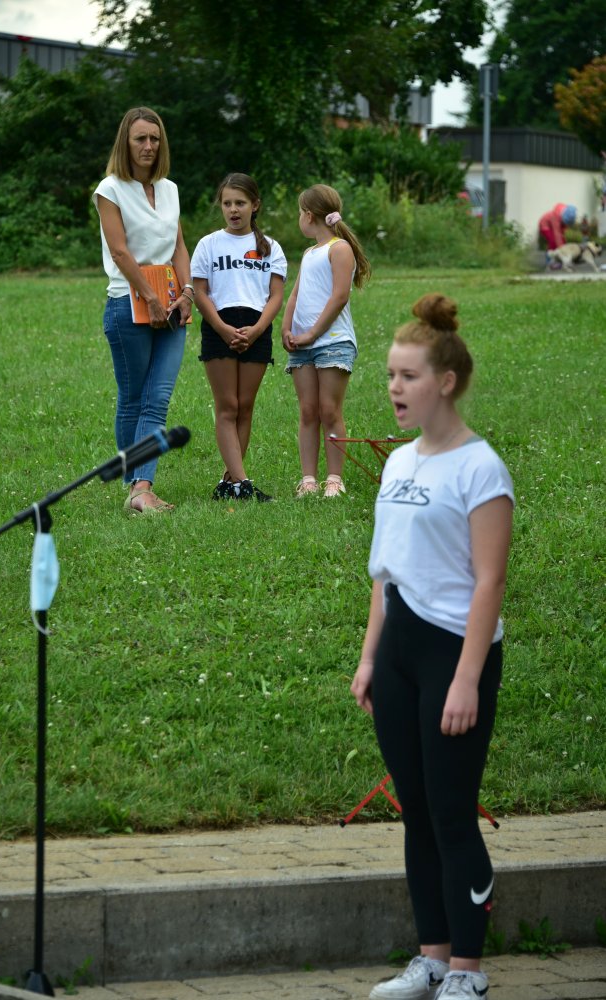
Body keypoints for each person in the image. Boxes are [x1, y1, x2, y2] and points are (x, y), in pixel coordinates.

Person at [350, 293, 514, 1000]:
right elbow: (384, 574)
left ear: (445, 382)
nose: (393, 388)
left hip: (456, 656)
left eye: (408, 376)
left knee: (451, 812)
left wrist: (467, 679)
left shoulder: (481, 469)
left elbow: (489, 582)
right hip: (400, 658)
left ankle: (469, 974)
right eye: (389, 375)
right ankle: (434, 958)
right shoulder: (397, 466)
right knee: (415, 809)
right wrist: (368, 658)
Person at [92, 107, 193, 515]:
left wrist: (185, 293)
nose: (148, 145)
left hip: (171, 305)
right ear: (126, 143)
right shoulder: (110, 189)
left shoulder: (169, 189)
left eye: (154, 138)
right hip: (127, 303)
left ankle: (141, 487)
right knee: (133, 398)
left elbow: (179, 247)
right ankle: (136, 487)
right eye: (140, 139)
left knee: (158, 398)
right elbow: (119, 250)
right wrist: (146, 296)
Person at [191, 173, 287, 501]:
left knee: (246, 406)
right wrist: (221, 327)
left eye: (240, 203)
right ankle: (243, 484)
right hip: (220, 326)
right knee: (227, 406)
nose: (233, 210)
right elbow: (201, 292)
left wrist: (258, 329)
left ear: (254, 205)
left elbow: (276, 296)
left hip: (256, 328)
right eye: (227, 203)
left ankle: (229, 483)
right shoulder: (208, 244)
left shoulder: (271, 248)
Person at [281, 184, 370, 498]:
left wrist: (312, 333)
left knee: (329, 410)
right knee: (308, 411)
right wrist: (287, 327)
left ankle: (334, 478)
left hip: (332, 342)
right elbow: (295, 294)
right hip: (303, 345)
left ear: (308, 215)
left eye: (299, 213)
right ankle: (308, 479)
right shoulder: (309, 253)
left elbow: (339, 297)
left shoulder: (339, 248)